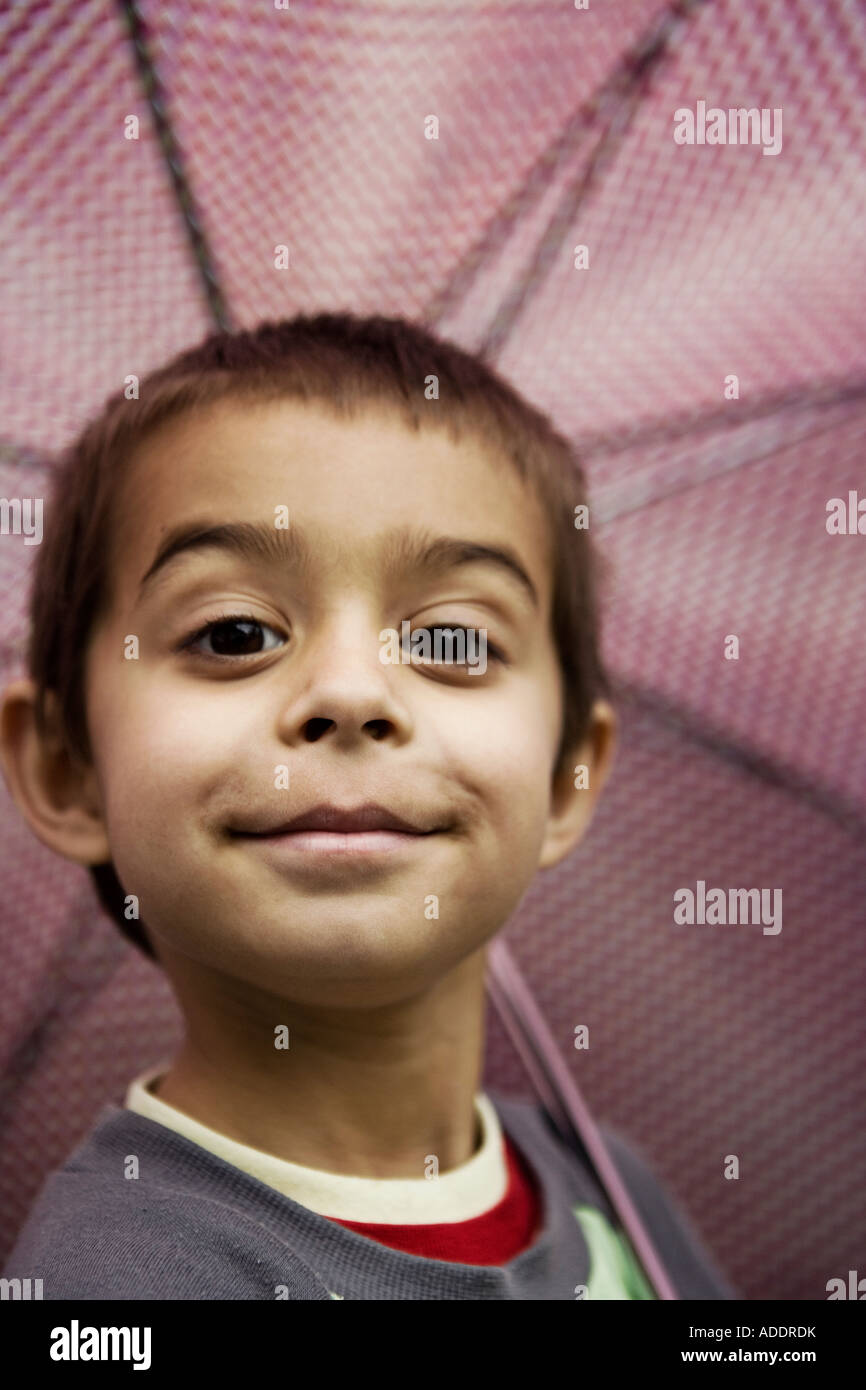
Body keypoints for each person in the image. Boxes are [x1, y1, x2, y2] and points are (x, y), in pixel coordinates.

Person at [0, 313, 737, 1299]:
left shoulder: (616, 1190)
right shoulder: (119, 1282)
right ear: (64, 766)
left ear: (567, 775)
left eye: (450, 642)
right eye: (232, 632)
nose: (351, 693)